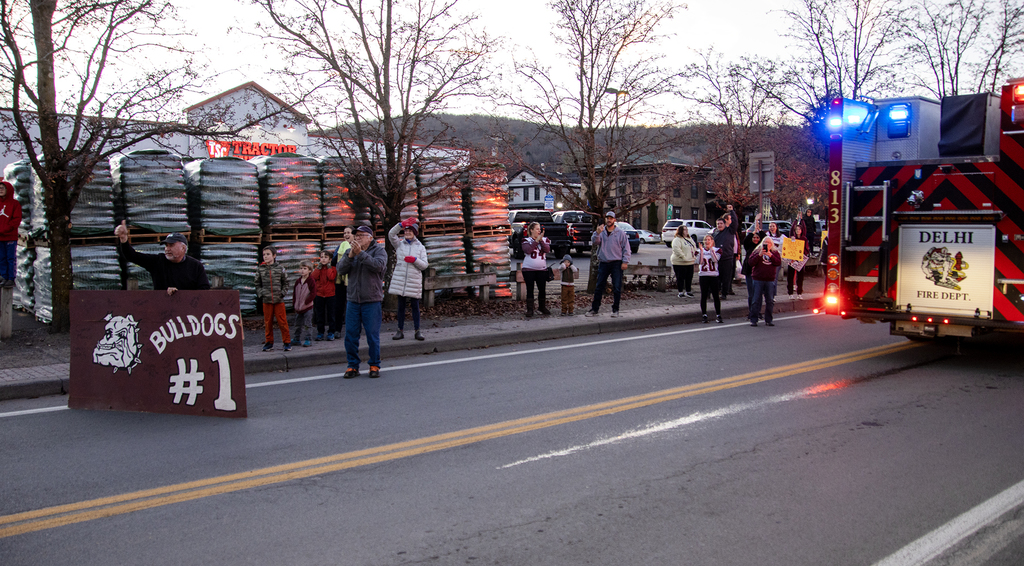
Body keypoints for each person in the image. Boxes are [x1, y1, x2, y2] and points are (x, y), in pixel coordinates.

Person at [338, 225, 387, 379]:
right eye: (356, 235)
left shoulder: (379, 251)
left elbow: (378, 266)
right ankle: (352, 365)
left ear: (370, 238)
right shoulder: (350, 251)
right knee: (351, 335)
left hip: (371, 300)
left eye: (361, 235)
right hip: (353, 300)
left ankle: (374, 364)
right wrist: (350, 256)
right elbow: (340, 270)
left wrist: (360, 254)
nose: (357, 238)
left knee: (372, 335)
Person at [115, 220, 210, 295]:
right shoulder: (157, 262)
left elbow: (204, 291)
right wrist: (123, 239)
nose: (167, 249)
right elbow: (132, 256)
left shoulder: (196, 266)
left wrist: (179, 294)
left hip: (187, 310)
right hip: (161, 309)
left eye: (171, 245)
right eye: (166, 245)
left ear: (183, 248)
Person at [388, 218, 428, 340]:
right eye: (405, 231)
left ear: (414, 233)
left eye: (410, 231)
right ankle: (400, 330)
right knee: (401, 307)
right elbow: (391, 234)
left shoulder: (420, 247)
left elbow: (424, 265)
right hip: (401, 280)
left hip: (413, 281)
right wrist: (400, 225)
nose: (407, 233)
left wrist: (415, 260)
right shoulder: (399, 244)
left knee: (415, 306)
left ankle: (417, 331)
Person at [585, 211, 630, 317]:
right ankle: (594, 309)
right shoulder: (601, 231)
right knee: (599, 286)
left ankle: (615, 310)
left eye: (611, 218)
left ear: (614, 220)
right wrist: (597, 233)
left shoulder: (620, 233)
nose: (609, 220)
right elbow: (595, 242)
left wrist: (625, 261)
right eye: (607, 218)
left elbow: (626, 248)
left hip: (616, 262)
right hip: (604, 262)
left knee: (617, 287)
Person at [255, 246, 290, 352]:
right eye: (264, 255)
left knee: (282, 322)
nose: (265, 256)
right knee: (268, 322)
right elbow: (257, 283)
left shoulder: (280, 268)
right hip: (266, 300)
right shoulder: (260, 269)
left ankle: (287, 342)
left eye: (268, 254)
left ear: (274, 256)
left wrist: (282, 293)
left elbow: (286, 282)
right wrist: (261, 294)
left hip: (278, 300)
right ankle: (269, 342)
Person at [748, 236, 781, 327]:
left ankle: (768, 319)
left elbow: (778, 262)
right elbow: (750, 262)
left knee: (770, 300)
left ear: (771, 244)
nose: (767, 244)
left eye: (769, 243)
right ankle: (754, 319)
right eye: (765, 242)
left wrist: (771, 255)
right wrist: (759, 255)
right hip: (758, 278)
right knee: (756, 300)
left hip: (769, 279)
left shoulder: (775, 252)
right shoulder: (757, 251)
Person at [520, 221, 551, 317]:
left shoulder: (545, 239)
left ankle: (542, 307)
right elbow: (528, 250)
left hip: (541, 269)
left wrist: (540, 240)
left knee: (542, 289)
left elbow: (547, 250)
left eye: (540, 229)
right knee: (530, 289)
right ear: (531, 230)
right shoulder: (526, 240)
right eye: (537, 229)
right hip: (528, 269)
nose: (539, 231)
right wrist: (536, 240)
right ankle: (530, 309)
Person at [0, 180, 22, 288]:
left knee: (10, 258)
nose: (0, 190)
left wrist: (5, 229)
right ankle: (4, 276)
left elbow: (16, 220)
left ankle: (11, 278)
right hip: (0, 237)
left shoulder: (14, 204)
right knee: (1, 257)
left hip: (10, 236)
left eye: (3, 188)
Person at [312, 250, 338, 341]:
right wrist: (318, 268)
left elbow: (331, 277)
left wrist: (329, 267)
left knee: (331, 314)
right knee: (320, 314)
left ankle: (331, 332)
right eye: (322, 257)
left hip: (330, 294)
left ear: (330, 259)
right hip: (319, 294)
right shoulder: (318, 268)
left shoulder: (333, 268)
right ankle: (320, 332)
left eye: (325, 257)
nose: (323, 259)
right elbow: (314, 277)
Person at [697, 234, 723, 323]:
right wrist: (701, 251)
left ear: (712, 241)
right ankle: (704, 314)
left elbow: (715, 260)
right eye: (706, 240)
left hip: (713, 275)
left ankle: (718, 314)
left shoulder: (717, 250)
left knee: (716, 296)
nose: (707, 242)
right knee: (704, 295)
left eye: (709, 240)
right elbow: (700, 262)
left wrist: (711, 250)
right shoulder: (700, 251)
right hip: (703, 275)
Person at [712, 209, 738, 298]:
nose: (719, 225)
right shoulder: (715, 233)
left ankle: (724, 293)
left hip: (727, 258)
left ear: (724, 224)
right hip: (717, 259)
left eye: (721, 223)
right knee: (717, 277)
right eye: (718, 224)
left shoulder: (729, 231)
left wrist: (732, 211)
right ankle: (717, 291)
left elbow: (735, 223)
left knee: (726, 277)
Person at [333, 226, 354, 335]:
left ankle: (353, 329)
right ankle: (337, 329)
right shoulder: (340, 247)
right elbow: (333, 261)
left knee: (352, 306)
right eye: (345, 233)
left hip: (352, 280)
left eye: (348, 232)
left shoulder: (357, 247)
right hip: (340, 280)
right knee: (339, 305)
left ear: (353, 235)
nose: (346, 235)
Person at [291, 260, 316, 347]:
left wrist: (307, 301)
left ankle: (308, 339)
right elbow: (295, 293)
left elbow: (313, 293)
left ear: (309, 270)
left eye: (305, 268)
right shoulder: (298, 281)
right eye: (301, 268)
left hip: (307, 307)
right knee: (297, 324)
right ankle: (296, 338)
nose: (302, 270)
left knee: (307, 324)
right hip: (299, 307)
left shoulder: (311, 281)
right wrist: (294, 303)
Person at [670, 225, 697, 298]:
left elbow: (694, 246)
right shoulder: (677, 240)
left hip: (690, 261)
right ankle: (680, 292)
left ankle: (688, 291)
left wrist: (694, 254)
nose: (686, 231)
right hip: (680, 262)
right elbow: (677, 249)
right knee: (680, 277)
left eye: (686, 229)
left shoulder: (689, 239)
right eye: (684, 230)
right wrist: (684, 257)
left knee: (689, 277)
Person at [786, 222, 810, 300]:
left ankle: (799, 293)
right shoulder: (792, 238)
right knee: (790, 276)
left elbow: (806, 249)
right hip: (792, 259)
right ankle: (790, 293)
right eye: (796, 229)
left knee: (800, 277)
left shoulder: (804, 239)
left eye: (799, 229)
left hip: (800, 259)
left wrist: (803, 255)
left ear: (801, 230)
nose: (798, 230)